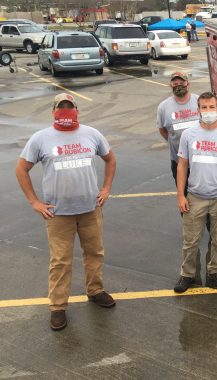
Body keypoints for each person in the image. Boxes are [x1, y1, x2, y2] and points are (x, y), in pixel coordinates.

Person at [15, 93, 117, 331]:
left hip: (90, 209)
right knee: (60, 261)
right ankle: (58, 307)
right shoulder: (41, 138)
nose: (65, 111)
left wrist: (106, 188)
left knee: (95, 253)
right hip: (58, 213)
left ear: (77, 110)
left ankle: (95, 290)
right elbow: (21, 169)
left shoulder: (92, 134)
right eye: (61, 108)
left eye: (69, 107)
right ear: (53, 112)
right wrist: (35, 202)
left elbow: (110, 159)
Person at [174, 92, 217, 293]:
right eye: (204, 108)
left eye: (211, 107)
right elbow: (182, 166)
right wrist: (181, 195)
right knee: (190, 241)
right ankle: (187, 274)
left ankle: (215, 272)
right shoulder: (189, 135)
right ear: (198, 110)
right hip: (195, 197)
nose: (208, 111)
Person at [157, 72, 206, 284]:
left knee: (205, 194)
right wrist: (180, 148)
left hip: (203, 159)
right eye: (174, 82)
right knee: (184, 199)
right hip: (179, 162)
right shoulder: (164, 107)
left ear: (188, 83)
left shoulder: (198, 101)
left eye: (181, 81)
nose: (178, 84)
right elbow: (163, 130)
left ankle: (209, 229)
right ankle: (190, 232)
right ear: (171, 85)